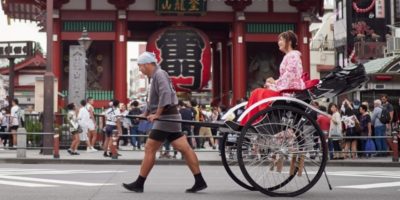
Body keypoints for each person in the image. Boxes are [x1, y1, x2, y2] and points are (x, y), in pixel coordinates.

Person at [122, 51, 207, 193]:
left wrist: (157, 114)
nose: (140, 69)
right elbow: (153, 99)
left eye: (140, 66)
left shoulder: (159, 74)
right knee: (184, 148)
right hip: (171, 117)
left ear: (148, 64)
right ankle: (200, 181)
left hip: (166, 117)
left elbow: (165, 94)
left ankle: (139, 183)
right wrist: (146, 113)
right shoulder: (154, 76)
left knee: (150, 148)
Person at [240, 30, 305, 125]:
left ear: (289, 42)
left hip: (289, 91)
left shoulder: (293, 56)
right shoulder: (289, 56)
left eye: (281, 40)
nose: (279, 42)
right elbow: (286, 76)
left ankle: (253, 122)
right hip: (286, 88)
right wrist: (274, 82)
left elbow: (290, 76)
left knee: (258, 92)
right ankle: (248, 122)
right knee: (256, 92)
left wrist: (275, 83)